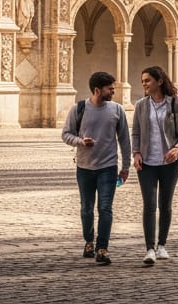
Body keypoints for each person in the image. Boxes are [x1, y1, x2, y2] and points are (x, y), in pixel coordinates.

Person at [62, 71, 131, 265]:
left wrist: (125, 167)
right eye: (110, 89)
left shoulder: (117, 110)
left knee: (105, 208)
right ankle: (89, 241)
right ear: (97, 90)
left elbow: (124, 141)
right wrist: (80, 141)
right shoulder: (79, 108)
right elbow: (66, 134)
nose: (113, 92)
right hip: (84, 167)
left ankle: (102, 248)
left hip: (108, 167)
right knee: (86, 208)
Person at [131, 65, 178, 265]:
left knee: (165, 205)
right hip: (147, 162)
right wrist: (136, 153)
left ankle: (162, 245)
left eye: (148, 80)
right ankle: (149, 249)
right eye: (142, 81)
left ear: (159, 81)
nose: (144, 84)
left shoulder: (176, 105)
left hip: (169, 162)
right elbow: (136, 133)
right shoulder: (141, 105)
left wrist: (177, 148)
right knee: (149, 205)